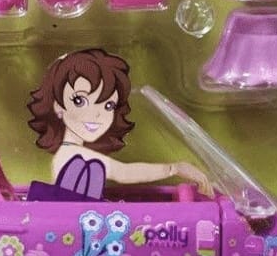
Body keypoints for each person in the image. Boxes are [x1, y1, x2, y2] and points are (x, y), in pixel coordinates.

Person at [27, 48, 211, 198]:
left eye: (108, 105)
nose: (97, 114)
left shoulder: (74, 154)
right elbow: (124, 172)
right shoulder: (72, 155)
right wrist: (174, 168)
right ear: (58, 107)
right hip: (75, 224)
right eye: (79, 101)